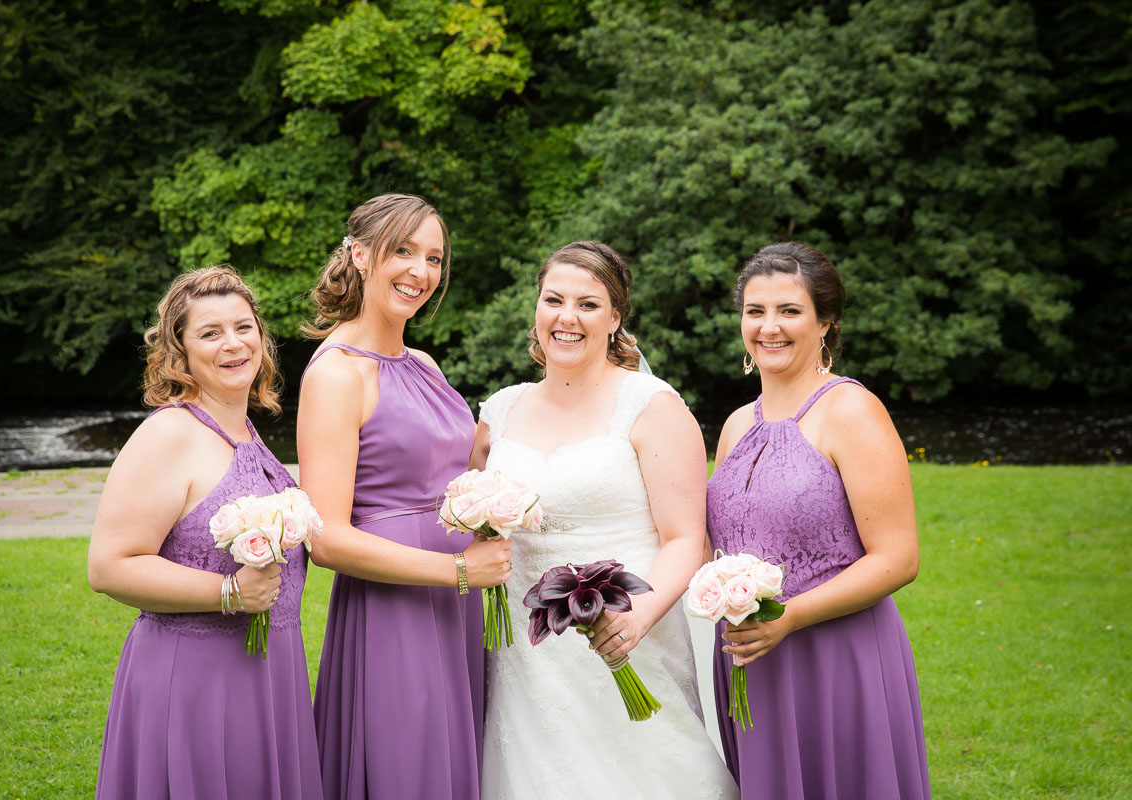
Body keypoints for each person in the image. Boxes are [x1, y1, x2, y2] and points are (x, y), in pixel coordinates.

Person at [472, 241, 739, 799]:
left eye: (588, 304)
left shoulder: (652, 406)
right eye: (554, 300)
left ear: (615, 318)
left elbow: (687, 538)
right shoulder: (500, 411)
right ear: (537, 309)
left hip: (625, 629)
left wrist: (634, 620)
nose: (567, 318)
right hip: (523, 650)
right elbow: (478, 521)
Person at [297, 193, 512, 800]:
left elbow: (455, 468)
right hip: (396, 608)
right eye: (403, 251)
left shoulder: (423, 362)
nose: (421, 271)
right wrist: (458, 568)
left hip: (458, 602)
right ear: (362, 256)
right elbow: (326, 538)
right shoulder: (338, 374)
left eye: (434, 258)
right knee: (407, 765)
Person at [87, 266, 322, 799]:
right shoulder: (170, 432)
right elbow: (109, 565)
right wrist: (228, 591)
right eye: (210, 333)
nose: (233, 344)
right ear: (180, 353)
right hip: (196, 677)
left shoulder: (247, 431)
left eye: (243, 327)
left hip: (271, 671)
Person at [706, 242, 930, 798]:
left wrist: (789, 616)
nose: (769, 327)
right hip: (750, 660)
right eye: (755, 312)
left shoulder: (851, 410)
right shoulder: (736, 424)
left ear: (825, 322)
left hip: (835, 658)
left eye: (789, 311)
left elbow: (898, 558)